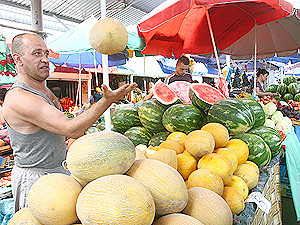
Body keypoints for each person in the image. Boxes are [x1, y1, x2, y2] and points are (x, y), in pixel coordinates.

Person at [2, 33, 137, 212]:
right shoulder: (21, 98)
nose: (44, 59)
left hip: (56, 173)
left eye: (46, 54)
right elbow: (71, 128)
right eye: (36, 54)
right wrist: (106, 100)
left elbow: (67, 129)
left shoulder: (43, 90)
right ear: (18, 59)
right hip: (36, 179)